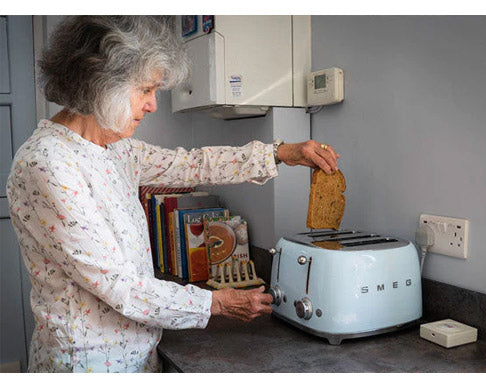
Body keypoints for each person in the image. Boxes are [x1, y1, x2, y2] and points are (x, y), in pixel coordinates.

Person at [6, 16, 340, 373]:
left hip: (140, 347)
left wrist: (279, 153)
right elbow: (120, 287)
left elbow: (192, 165)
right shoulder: (48, 164)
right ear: (100, 85)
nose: (152, 105)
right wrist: (219, 303)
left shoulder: (115, 149)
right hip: (87, 361)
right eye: (145, 90)